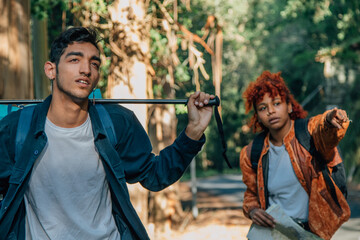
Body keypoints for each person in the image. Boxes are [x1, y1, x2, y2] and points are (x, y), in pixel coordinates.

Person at [0, 27, 215, 240]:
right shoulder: (16, 129)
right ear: (51, 70)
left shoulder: (117, 123)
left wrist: (194, 130)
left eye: (94, 63)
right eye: (75, 60)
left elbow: (155, 176)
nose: (86, 69)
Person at [239, 71, 351, 240]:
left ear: (290, 106)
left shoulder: (308, 133)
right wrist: (253, 210)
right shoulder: (251, 153)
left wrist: (329, 119)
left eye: (276, 103)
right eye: (263, 108)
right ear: (258, 118)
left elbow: (323, 130)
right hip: (275, 232)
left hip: (311, 231)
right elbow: (251, 194)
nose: (270, 111)